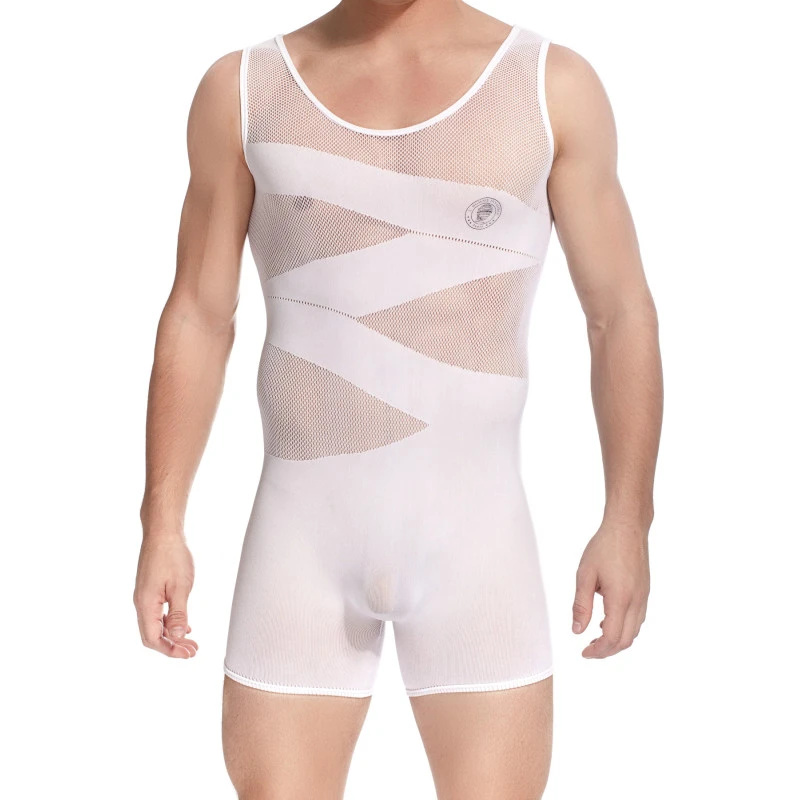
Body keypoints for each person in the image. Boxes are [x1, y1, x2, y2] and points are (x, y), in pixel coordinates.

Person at [134, 0, 663, 797]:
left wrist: (628, 521)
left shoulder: (548, 86)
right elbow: (199, 315)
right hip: (301, 546)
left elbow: (619, 314)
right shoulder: (245, 89)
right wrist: (161, 523)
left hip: (477, 547)